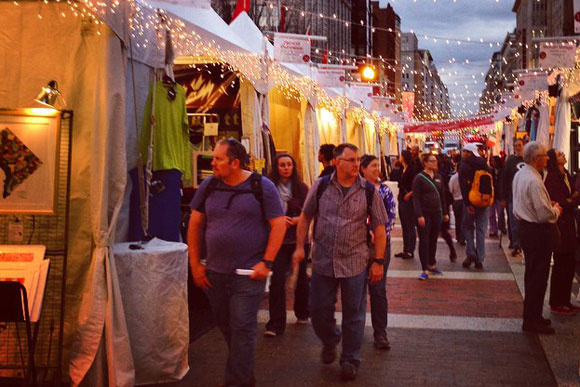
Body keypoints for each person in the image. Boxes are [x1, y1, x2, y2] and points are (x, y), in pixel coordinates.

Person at [188, 138, 286, 386]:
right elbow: (195, 224)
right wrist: (195, 264)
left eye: (219, 159)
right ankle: (245, 375)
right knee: (228, 327)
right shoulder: (209, 185)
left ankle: (235, 382)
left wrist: (267, 263)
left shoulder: (261, 186)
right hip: (215, 273)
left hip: (247, 273)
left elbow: (278, 225)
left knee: (242, 328)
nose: (213, 163)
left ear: (235, 163)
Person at [293, 143, 388, 381]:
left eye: (358, 160)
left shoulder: (368, 190)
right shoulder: (322, 185)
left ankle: (350, 359)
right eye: (352, 160)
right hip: (323, 260)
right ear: (337, 162)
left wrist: (378, 260)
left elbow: (379, 225)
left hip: (355, 261)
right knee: (318, 309)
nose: (357, 164)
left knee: (354, 314)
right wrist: (300, 247)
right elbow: (305, 216)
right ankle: (330, 338)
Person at [513, 141, 562, 334]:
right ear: (536, 159)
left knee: (533, 275)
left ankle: (533, 316)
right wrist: (556, 210)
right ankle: (532, 320)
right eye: (544, 156)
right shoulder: (533, 180)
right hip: (537, 232)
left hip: (527, 229)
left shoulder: (522, 174)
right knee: (538, 277)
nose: (548, 158)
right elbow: (544, 214)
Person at [265, 153, 311, 337]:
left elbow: (309, 213)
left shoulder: (301, 188)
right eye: (282, 165)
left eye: (289, 165)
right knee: (276, 282)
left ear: (293, 167)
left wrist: (295, 220)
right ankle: (276, 323)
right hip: (277, 241)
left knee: (300, 279)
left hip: (298, 239)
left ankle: (302, 312)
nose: (285, 168)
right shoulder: (269, 188)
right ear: (276, 167)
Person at [360, 154, 396, 350]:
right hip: (358, 245)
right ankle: (355, 330)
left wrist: (379, 234)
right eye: (372, 166)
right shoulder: (356, 190)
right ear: (362, 169)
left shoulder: (385, 191)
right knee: (356, 289)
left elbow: (391, 216)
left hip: (380, 245)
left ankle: (380, 332)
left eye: (377, 166)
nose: (377, 169)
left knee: (378, 288)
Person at [544, 149, 580, 315]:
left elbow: (573, 197)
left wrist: (571, 199)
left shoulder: (565, 174)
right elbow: (560, 201)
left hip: (570, 224)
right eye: (559, 154)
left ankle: (565, 300)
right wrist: (570, 199)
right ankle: (557, 302)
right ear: (553, 159)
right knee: (561, 263)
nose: (564, 155)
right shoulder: (552, 178)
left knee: (570, 262)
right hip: (560, 225)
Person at [412, 153, 449, 280]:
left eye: (435, 161)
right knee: (424, 240)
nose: (435, 163)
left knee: (433, 239)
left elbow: (442, 195)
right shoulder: (419, 178)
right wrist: (419, 215)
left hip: (436, 213)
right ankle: (425, 269)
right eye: (432, 161)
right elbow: (416, 198)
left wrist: (444, 212)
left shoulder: (439, 177)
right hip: (425, 213)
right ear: (426, 163)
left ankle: (432, 264)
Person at [459, 143, 491, 269]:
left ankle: (471, 253)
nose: (464, 154)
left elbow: (463, 186)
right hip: (483, 201)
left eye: (466, 152)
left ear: (470, 152)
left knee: (467, 227)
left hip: (471, 201)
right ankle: (480, 258)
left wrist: (467, 203)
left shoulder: (464, 166)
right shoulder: (484, 164)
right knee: (481, 230)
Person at [500, 138, 525, 256]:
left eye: (519, 145)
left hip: (525, 197)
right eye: (516, 145)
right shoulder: (510, 161)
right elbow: (504, 179)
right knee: (514, 222)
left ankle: (523, 244)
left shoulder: (528, 159)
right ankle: (516, 244)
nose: (518, 147)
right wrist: (503, 197)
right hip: (512, 197)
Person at [395, 149, 417, 259]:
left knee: (410, 225)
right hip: (402, 199)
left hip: (409, 200)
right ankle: (405, 249)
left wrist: (410, 194)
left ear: (404, 157)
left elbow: (416, 185)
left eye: (401, 155)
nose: (399, 157)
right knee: (404, 225)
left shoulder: (412, 170)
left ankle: (410, 250)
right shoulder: (401, 169)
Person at [438, 155, 457, 262]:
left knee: (443, 232)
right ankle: (430, 259)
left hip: (442, 208)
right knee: (443, 232)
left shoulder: (440, 177)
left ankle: (452, 251)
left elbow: (447, 194)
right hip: (438, 208)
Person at [449, 154, 465, 245]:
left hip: (456, 201)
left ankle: (458, 236)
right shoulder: (465, 177)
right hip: (464, 200)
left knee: (458, 220)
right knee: (464, 220)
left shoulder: (453, 178)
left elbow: (450, 189)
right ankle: (463, 237)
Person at [488, 155, 506, 237]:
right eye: (491, 161)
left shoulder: (502, 171)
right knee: (491, 214)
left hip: (499, 195)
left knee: (500, 213)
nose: (493, 163)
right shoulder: (489, 171)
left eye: (494, 161)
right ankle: (493, 229)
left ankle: (502, 226)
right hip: (491, 195)